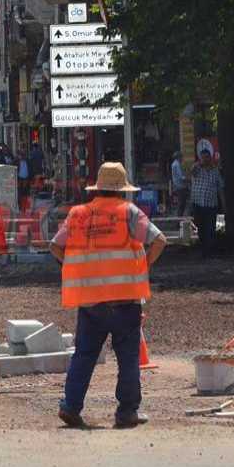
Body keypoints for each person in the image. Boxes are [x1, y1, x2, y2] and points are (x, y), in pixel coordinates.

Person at [50, 162, 167, 429]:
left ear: (98, 188)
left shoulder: (78, 214)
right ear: (122, 191)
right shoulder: (128, 213)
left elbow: (55, 246)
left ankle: (71, 406)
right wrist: (143, 266)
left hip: (90, 301)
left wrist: (74, 268)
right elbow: (159, 240)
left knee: (84, 354)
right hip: (125, 300)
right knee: (128, 357)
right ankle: (127, 413)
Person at [190, 149, 225, 256]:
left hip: (211, 205)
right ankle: (203, 249)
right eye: (203, 157)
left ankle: (209, 251)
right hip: (198, 203)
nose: (205, 159)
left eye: (207, 157)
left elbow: (220, 188)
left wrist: (224, 204)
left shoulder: (215, 171)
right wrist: (199, 163)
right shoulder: (197, 169)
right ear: (200, 158)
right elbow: (191, 171)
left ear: (210, 158)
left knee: (210, 228)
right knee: (200, 228)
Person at [170, 152, 188, 216]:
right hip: (180, 186)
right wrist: (188, 179)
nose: (182, 158)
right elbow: (181, 176)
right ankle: (179, 219)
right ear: (179, 157)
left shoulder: (174, 164)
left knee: (180, 203)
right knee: (181, 204)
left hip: (177, 185)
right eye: (181, 157)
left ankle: (179, 218)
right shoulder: (177, 164)